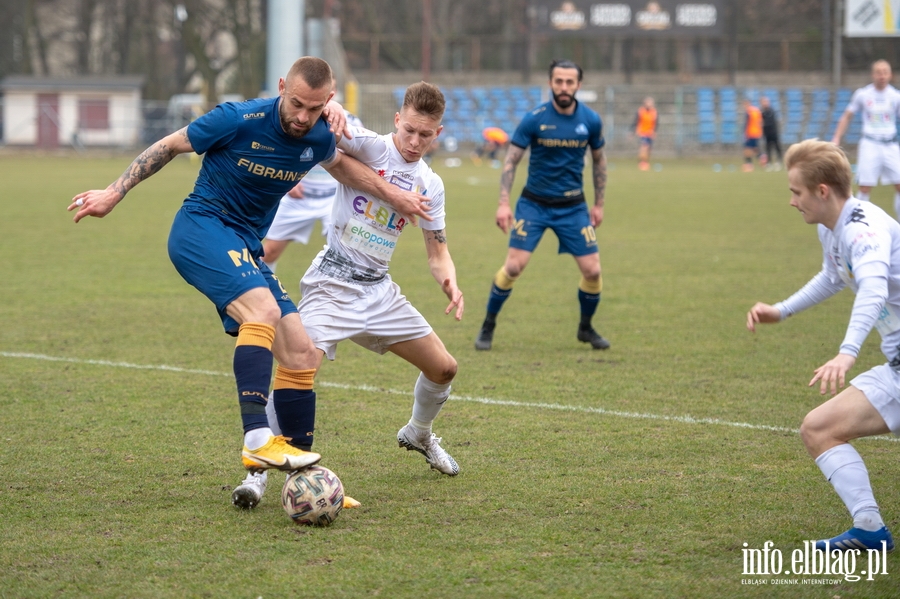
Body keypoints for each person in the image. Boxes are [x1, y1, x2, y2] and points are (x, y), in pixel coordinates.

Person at [68, 57, 430, 504]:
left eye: (315, 108)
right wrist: (113, 192)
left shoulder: (318, 134)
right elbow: (169, 145)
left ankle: (304, 477)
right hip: (200, 228)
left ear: (329, 102)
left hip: (245, 245)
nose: (302, 117)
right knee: (263, 309)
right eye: (296, 103)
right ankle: (257, 436)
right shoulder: (236, 119)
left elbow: (343, 168)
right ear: (281, 87)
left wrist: (396, 195)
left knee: (300, 354)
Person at [231, 81, 464, 508]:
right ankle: (257, 473)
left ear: (438, 133)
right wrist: (332, 105)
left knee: (444, 368)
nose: (414, 142)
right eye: (409, 130)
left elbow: (438, 252)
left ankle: (418, 433)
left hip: (380, 293)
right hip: (332, 284)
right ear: (397, 120)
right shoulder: (372, 147)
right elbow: (310, 119)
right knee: (298, 367)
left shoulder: (431, 184)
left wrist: (449, 279)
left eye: (425, 135)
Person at [746, 139, 896, 552]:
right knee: (819, 429)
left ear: (822, 191)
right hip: (898, 367)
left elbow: (872, 289)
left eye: (796, 191)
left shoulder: (862, 229)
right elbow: (833, 277)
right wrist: (782, 310)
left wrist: (847, 352)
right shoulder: (831, 229)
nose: (792, 201)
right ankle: (869, 529)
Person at [474, 59, 609, 351]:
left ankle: (585, 328)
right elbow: (511, 161)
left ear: (578, 86)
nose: (563, 87)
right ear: (550, 83)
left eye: (569, 82)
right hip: (534, 205)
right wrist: (503, 203)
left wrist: (598, 204)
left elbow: (599, 162)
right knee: (513, 266)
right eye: (558, 81)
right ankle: (488, 324)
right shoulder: (534, 119)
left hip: (573, 207)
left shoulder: (591, 120)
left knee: (593, 271)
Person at [262, 111, 364, 271]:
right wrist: (288, 179)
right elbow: (277, 148)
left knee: (349, 255)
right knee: (268, 252)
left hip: (333, 197)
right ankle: (264, 294)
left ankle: (346, 294)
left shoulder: (350, 120)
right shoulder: (300, 116)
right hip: (298, 197)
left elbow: (361, 154)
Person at [832, 59, 900, 219]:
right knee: (864, 187)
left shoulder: (895, 96)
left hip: (890, 144)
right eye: (878, 72)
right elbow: (847, 116)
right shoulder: (863, 94)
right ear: (872, 74)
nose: (881, 76)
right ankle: (859, 222)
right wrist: (836, 137)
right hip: (870, 143)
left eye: (885, 72)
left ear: (890, 75)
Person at [632, 96, 658, 171]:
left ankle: (646, 162)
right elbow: (636, 121)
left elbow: (656, 122)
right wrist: (634, 130)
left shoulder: (654, 111)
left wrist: (654, 131)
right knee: (644, 148)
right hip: (642, 132)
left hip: (650, 132)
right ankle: (642, 163)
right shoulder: (641, 111)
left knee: (649, 149)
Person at [759, 95, 782, 171]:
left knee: (777, 147)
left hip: (773, 132)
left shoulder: (771, 111)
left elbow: (771, 122)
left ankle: (779, 162)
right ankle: (768, 163)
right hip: (766, 134)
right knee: (768, 148)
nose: (765, 103)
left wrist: (763, 123)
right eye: (764, 102)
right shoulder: (761, 112)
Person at [742, 98, 763, 172]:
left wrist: (745, 133)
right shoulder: (756, 110)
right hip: (757, 132)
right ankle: (762, 158)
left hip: (750, 133)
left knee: (747, 149)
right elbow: (760, 121)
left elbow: (747, 123)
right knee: (754, 148)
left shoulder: (749, 111)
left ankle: (749, 165)